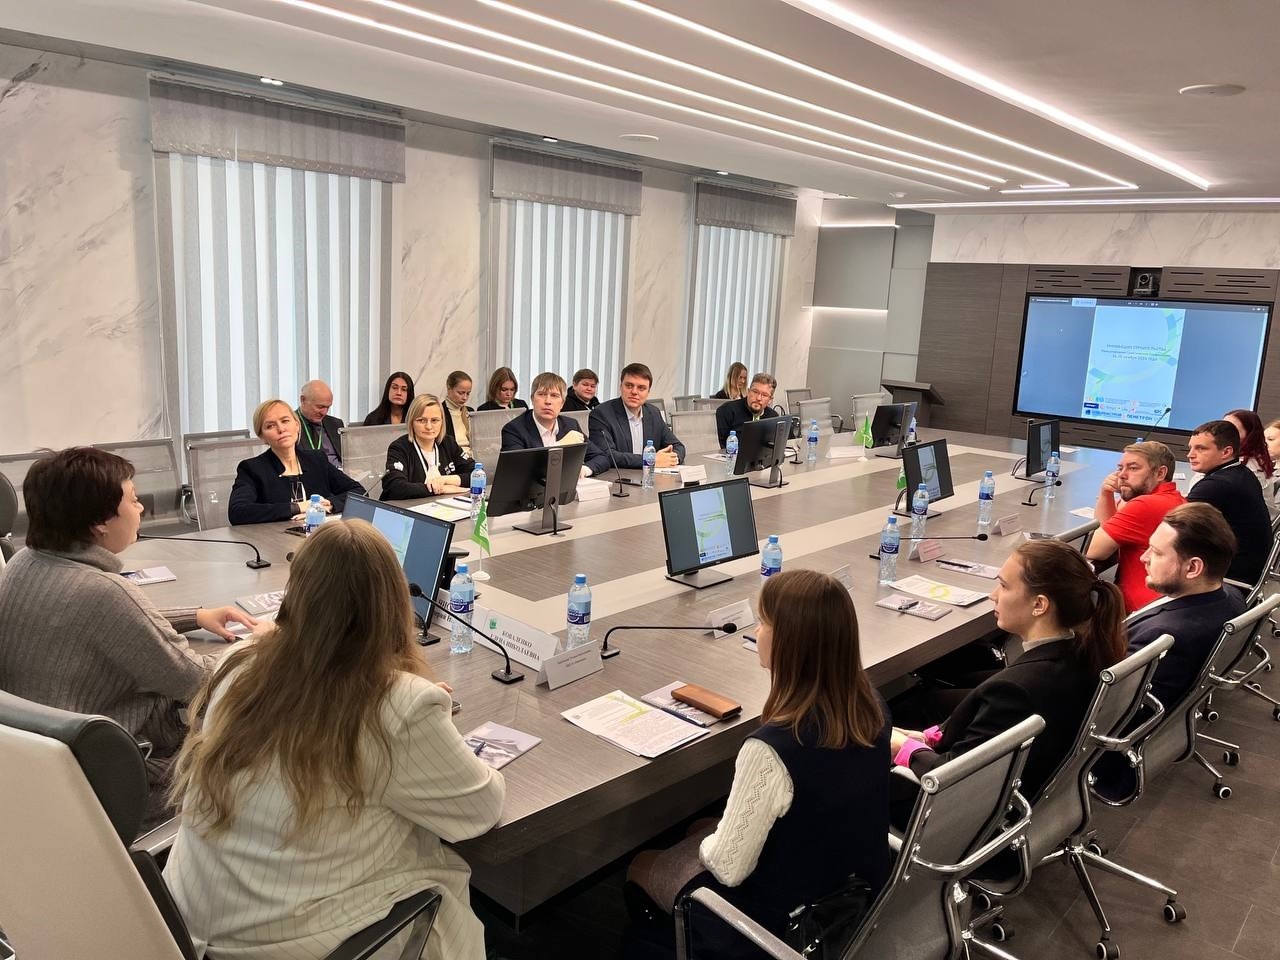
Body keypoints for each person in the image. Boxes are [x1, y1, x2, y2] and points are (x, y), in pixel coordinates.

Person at [163, 520, 504, 960]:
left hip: (187, 925)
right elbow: (480, 810)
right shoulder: (401, 705)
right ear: (392, 601)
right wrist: (421, 714)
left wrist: (408, 704)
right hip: (291, 943)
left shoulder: (238, 663)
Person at [627, 570, 889, 955]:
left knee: (642, 864)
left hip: (775, 925)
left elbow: (727, 867)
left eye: (764, 622)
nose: (757, 631)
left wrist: (712, 842)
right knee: (700, 827)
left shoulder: (772, 748)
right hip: (852, 897)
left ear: (789, 642)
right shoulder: (870, 708)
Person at [0, 447, 255, 826]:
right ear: (99, 522)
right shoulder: (105, 593)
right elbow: (198, 681)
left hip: (43, 766)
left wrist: (195, 616)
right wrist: (263, 645)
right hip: (118, 773)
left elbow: (92, 621)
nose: (141, 510)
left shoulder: (24, 563)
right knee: (263, 740)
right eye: (133, 500)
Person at [892, 540, 1125, 815]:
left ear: (1039, 605)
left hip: (957, 815)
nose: (993, 595)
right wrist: (927, 739)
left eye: (1003, 586)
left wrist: (903, 748)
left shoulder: (1014, 690)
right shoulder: (1082, 655)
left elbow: (953, 779)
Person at [1128, 503, 1246, 710]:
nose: (1143, 558)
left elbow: (1121, 710)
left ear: (1192, 568)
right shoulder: (1233, 597)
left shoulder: (1163, 637)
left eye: (1156, 552)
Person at [1085, 441, 1185, 613]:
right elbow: (1109, 528)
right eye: (1120, 468)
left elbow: (1094, 550)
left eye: (1133, 468)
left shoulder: (1145, 505)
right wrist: (1106, 494)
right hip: (1163, 606)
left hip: (1138, 612)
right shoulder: (1173, 497)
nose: (1121, 475)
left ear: (1160, 473)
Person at [229, 399, 365, 524]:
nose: (281, 429)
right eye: (270, 426)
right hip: (274, 538)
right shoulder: (252, 468)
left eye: (285, 421)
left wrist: (328, 505)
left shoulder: (317, 460)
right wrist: (299, 507)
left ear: (297, 425)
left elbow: (359, 492)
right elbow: (238, 512)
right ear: (262, 437)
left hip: (319, 536)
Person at [1185, 419, 1273, 586]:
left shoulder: (1216, 485)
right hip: (1246, 574)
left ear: (1226, 452)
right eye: (1191, 448)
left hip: (1225, 581)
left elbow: (1172, 529)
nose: (1190, 455)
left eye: (1201, 448)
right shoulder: (1243, 473)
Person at [586, 363, 685, 475]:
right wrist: (650, 460)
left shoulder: (653, 413)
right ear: (621, 387)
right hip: (617, 479)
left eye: (641, 388)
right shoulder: (601, 414)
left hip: (649, 479)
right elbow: (606, 455)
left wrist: (671, 458)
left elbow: (678, 446)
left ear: (648, 392)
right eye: (629, 386)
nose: (634, 392)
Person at [382, 394, 476, 500]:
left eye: (434, 420)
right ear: (411, 422)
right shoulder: (399, 448)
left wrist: (444, 480)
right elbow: (395, 487)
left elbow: (477, 475)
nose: (429, 426)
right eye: (421, 420)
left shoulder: (448, 443)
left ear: (442, 422)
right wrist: (441, 489)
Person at [500, 372, 588, 456]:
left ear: (562, 403)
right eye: (542, 394)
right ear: (532, 399)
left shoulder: (571, 425)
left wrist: (585, 467)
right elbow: (520, 465)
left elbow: (595, 456)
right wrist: (559, 446)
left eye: (554, 395)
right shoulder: (514, 430)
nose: (548, 401)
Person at [715, 372, 780, 449]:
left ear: (770, 400)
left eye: (764, 395)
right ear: (748, 392)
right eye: (755, 392)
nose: (758, 398)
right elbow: (718, 446)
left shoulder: (773, 417)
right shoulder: (727, 411)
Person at [296, 380, 345, 468]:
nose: (324, 413)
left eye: (328, 407)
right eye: (320, 407)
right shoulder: (289, 426)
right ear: (303, 400)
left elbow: (348, 458)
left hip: (341, 473)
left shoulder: (336, 424)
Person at [1224, 408, 1275, 488]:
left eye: (1231, 429)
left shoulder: (1250, 467)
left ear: (1250, 434)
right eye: (1222, 427)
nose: (1223, 433)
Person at [441, 370, 475, 457]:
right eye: (461, 393)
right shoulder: (440, 411)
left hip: (474, 456)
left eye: (468, 393)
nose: (465, 397)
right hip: (453, 457)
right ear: (449, 389)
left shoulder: (470, 411)